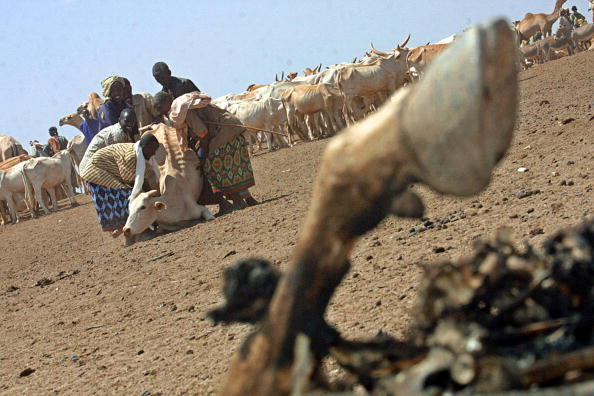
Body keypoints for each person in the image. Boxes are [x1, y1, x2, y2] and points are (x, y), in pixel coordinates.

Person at [80, 134, 160, 238]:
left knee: (134, 196)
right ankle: (132, 230)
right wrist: (147, 195)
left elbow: (140, 179)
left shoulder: (139, 152)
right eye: (152, 149)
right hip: (97, 173)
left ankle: (132, 228)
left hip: (107, 170)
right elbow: (131, 180)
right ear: (145, 148)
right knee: (127, 195)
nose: (154, 153)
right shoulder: (131, 156)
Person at [79, 108, 139, 173]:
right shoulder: (117, 133)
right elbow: (119, 159)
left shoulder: (125, 131)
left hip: (99, 165)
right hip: (90, 168)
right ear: (119, 120)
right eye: (127, 121)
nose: (129, 124)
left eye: (132, 123)